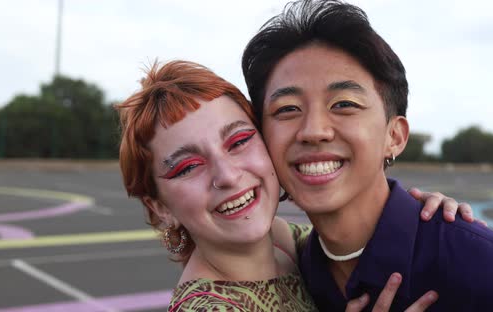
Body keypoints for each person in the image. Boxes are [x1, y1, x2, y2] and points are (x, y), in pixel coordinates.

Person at [241, 0, 493, 310]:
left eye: (344, 104)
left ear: (394, 137)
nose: (313, 130)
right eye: (286, 109)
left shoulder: (483, 268)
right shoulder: (297, 269)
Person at [116, 60, 474, 311]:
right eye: (189, 166)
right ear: (159, 207)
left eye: (239, 141)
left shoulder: (286, 241)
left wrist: (415, 211)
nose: (226, 175)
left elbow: (357, 241)